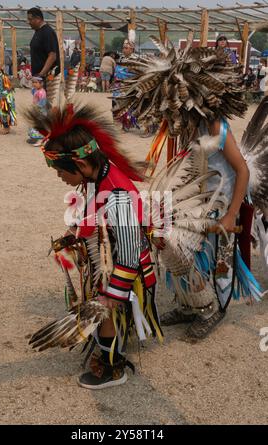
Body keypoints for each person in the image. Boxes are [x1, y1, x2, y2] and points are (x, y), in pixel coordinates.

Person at [113, 36, 264, 340]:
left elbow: (242, 170)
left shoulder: (216, 127)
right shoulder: (187, 125)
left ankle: (212, 309)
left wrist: (231, 215)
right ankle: (188, 304)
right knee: (174, 248)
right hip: (197, 198)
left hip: (222, 200)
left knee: (212, 260)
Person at [25, 101, 163, 389]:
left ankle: (113, 368)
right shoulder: (100, 172)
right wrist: (78, 232)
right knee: (102, 303)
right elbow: (94, 209)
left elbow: (128, 257)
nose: (60, 177)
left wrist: (110, 296)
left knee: (105, 309)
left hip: (127, 265)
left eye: (61, 171)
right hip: (110, 254)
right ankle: (109, 341)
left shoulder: (118, 197)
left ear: (81, 164)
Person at [27, 8, 60, 80]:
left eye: (30, 19)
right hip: (38, 78)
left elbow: (52, 56)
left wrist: (41, 74)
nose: (28, 22)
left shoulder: (47, 32)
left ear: (38, 18)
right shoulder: (38, 31)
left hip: (47, 78)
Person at [0, 68, 16, 135]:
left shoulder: (4, 77)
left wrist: (4, 95)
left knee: (3, 113)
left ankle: (6, 128)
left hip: (7, 98)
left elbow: (10, 87)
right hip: (1, 99)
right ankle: (6, 127)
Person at [27, 76, 47, 145]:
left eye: (36, 82)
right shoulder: (36, 90)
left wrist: (37, 109)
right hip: (36, 110)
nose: (34, 84)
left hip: (40, 111)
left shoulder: (42, 92)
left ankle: (39, 140)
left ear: (41, 83)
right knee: (33, 124)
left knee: (38, 125)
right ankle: (33, 138)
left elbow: (42, 103)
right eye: (33, 82)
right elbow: (32, 92)